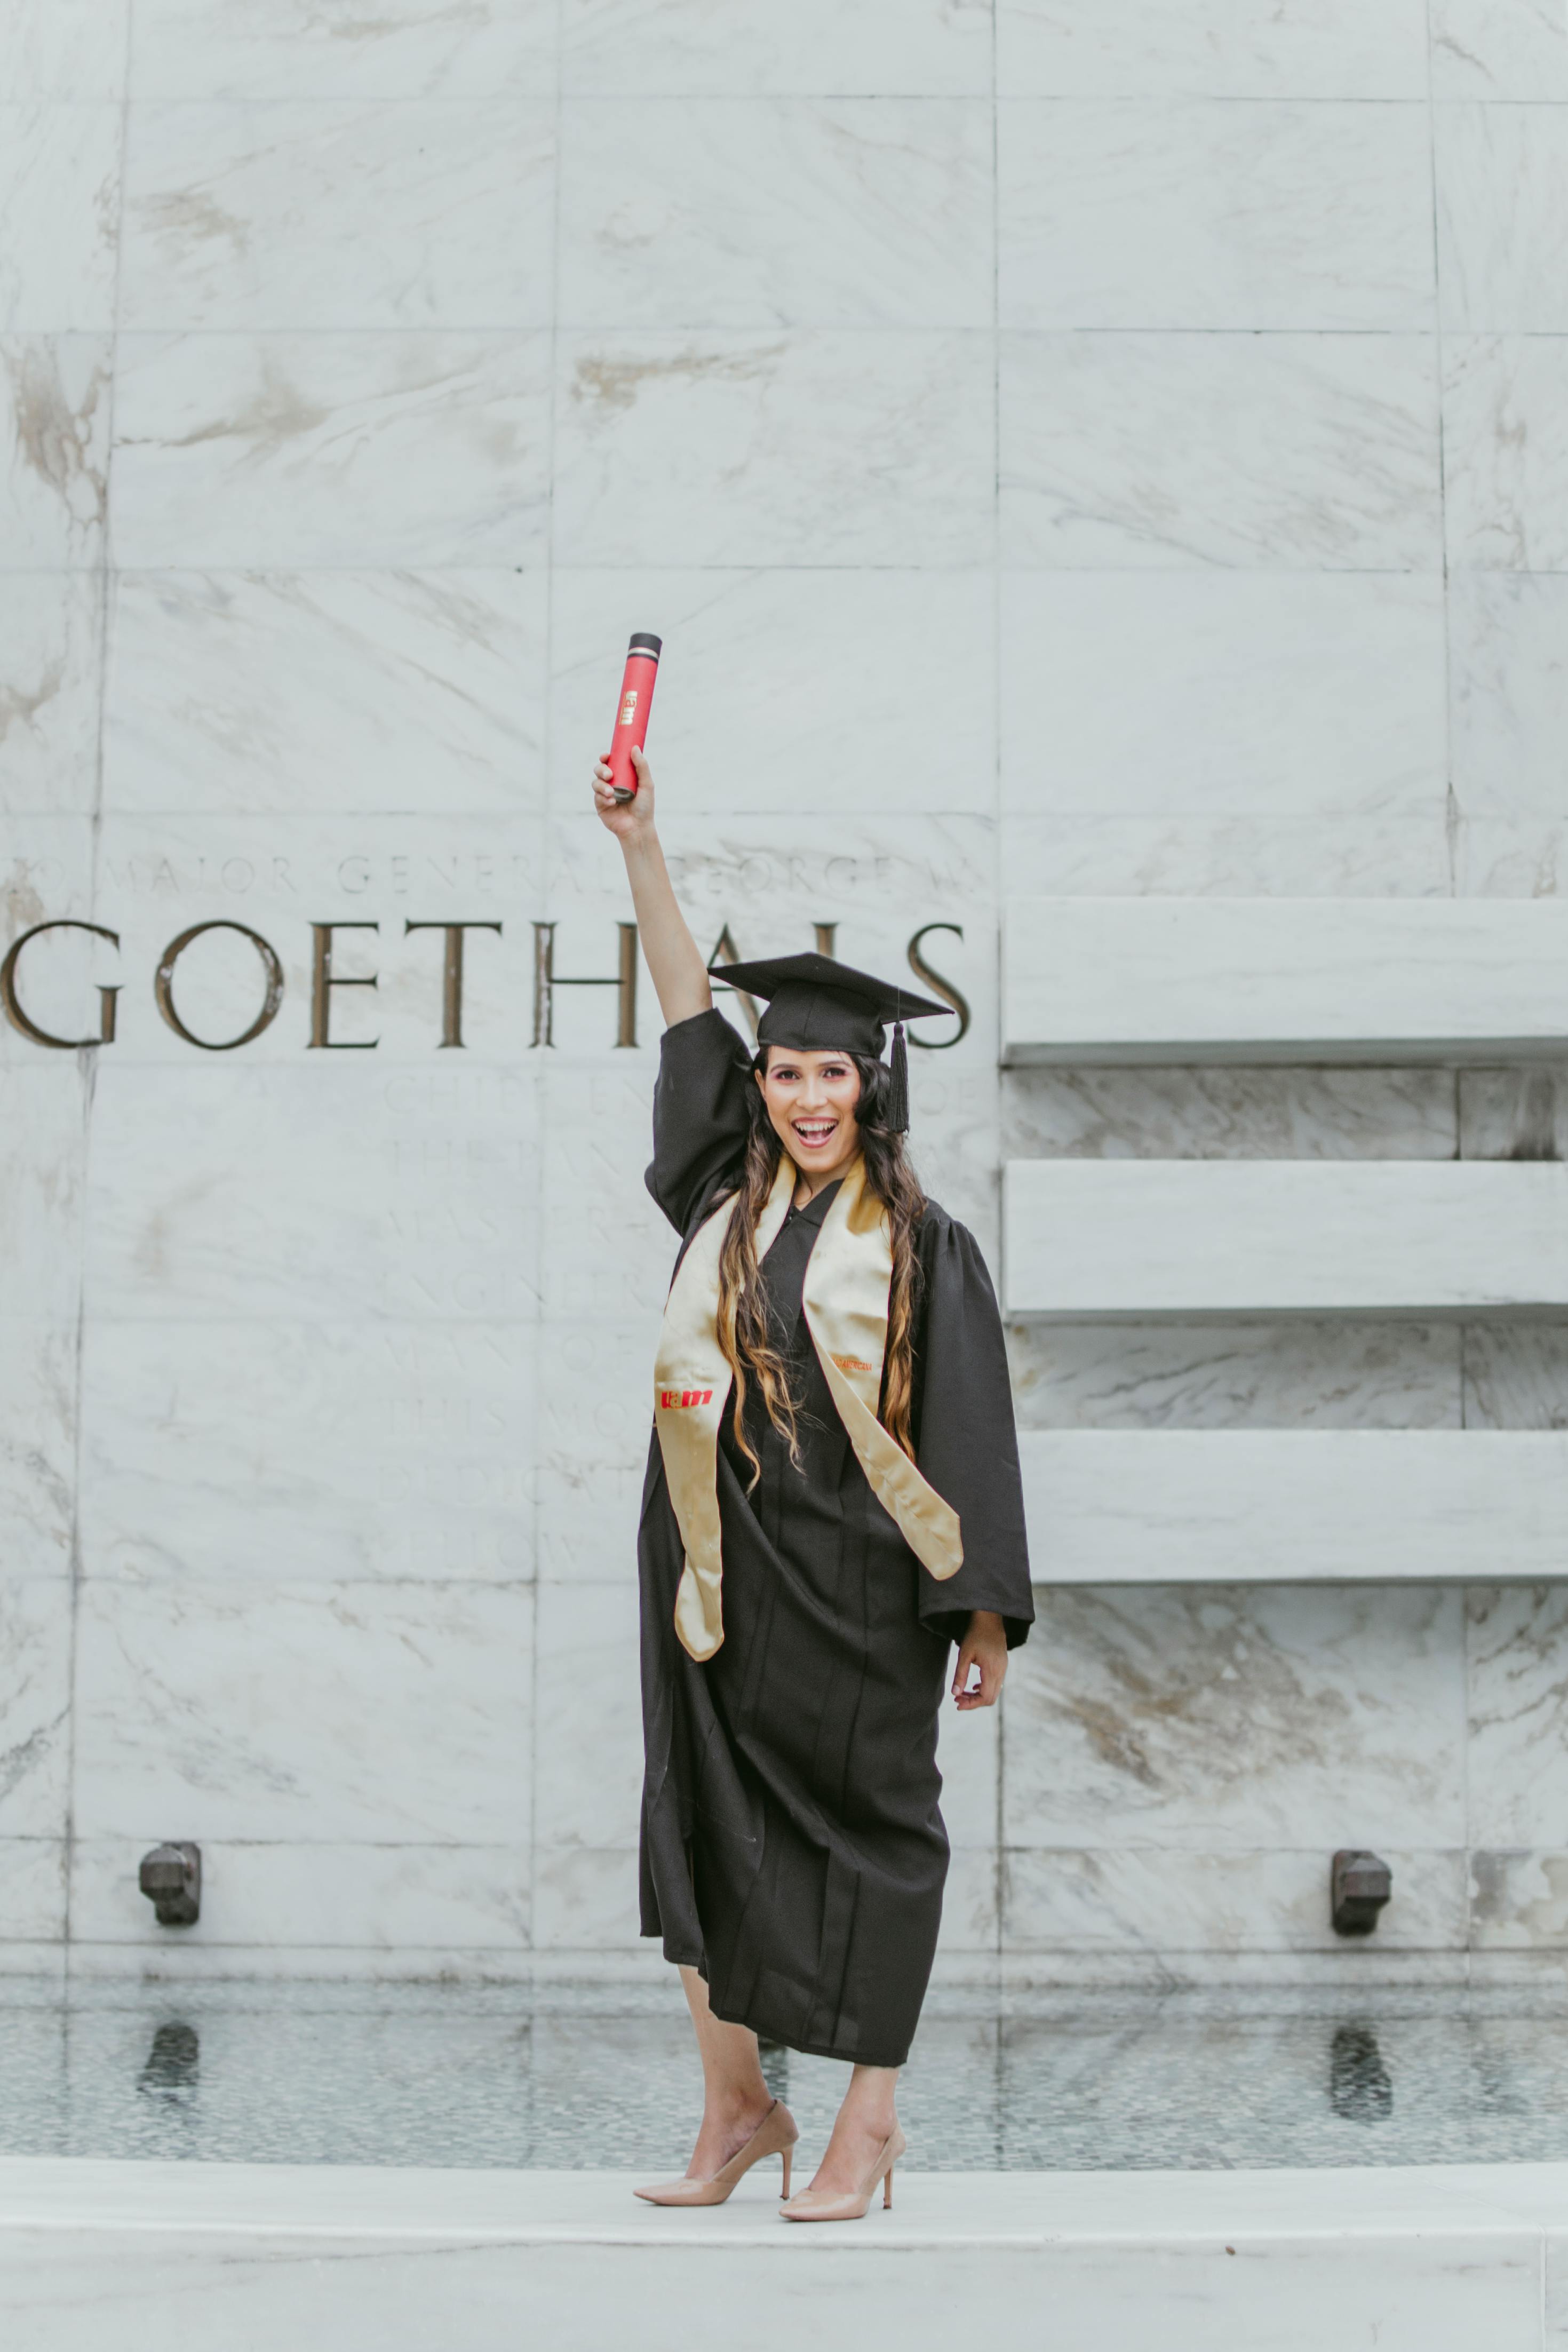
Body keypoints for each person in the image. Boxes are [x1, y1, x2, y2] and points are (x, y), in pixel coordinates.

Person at [594, 744, 1033, 2222]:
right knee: (699, 1825)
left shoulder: (920, 1242)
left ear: (872, 1084)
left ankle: (869, 2128)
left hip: (854, 1579)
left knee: (876, 1835)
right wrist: (640, 844)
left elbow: (967, 1424)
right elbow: (677, 1004)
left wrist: (975, 1614)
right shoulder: (726, 1184)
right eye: (781, 1069)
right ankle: (736, 2113)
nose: (800, 1094)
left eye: (828, 1070)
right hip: (711, 1559)